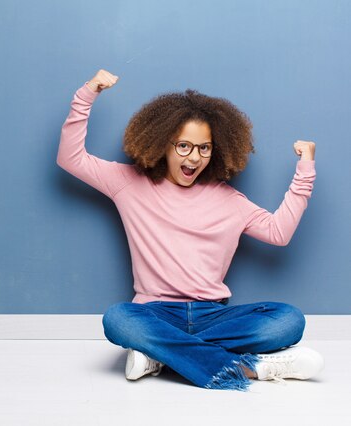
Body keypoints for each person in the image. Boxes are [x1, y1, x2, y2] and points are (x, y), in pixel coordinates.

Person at [57, 69, 324, 391]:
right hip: (154, 312)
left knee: (288, 319)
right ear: (163, 144)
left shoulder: (230, 201)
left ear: (216, 149)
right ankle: (253, 368)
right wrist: (88, 93)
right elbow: (71, 159)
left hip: (214, 315)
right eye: (183, 146)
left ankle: (159, 354)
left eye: (204, 148)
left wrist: (305, 171)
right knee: (118, 319)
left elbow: (278, 233)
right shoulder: (129, 184)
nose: (194, 157)